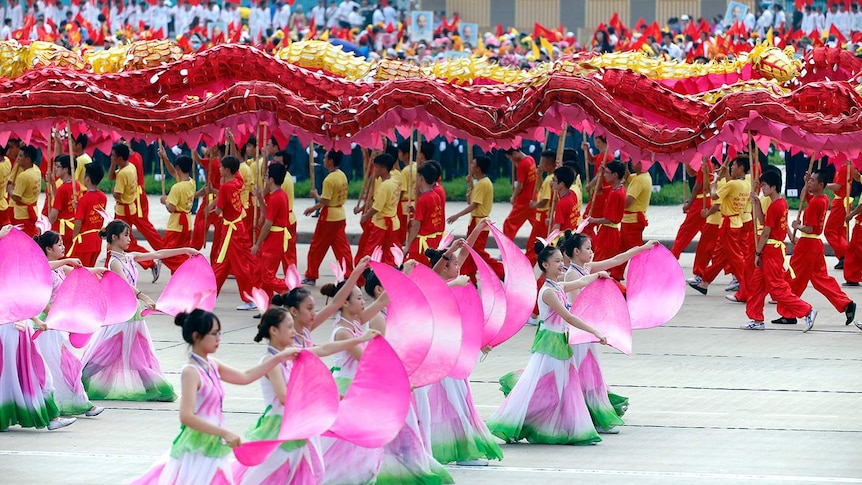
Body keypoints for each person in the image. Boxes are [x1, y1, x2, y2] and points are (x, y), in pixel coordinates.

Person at [131, 309, 300, 484]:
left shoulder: (212, 364)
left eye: (219, 333)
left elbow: (245, 377)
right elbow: (186, 416)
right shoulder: (191, 371)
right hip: (198, 445)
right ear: (196, 336)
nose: (219, 338)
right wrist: (224, 432)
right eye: (213, 334)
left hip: (214, 443)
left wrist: (278, 357)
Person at [234, 306, 378, 484]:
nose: (294, 331)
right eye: (289, 327)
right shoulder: (270, 361)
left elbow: (325, 349)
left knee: (298, 473)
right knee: (268, 475)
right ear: (274, 330)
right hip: (279, 427)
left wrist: (360, 339)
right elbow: (284, 397)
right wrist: (320, 398)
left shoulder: (290, 355)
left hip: (297, 423)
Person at [486, 241, 607, 445]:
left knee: (566, 387)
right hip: (550, 346)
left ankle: (568, 428)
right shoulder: (547, 292)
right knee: (542, 387)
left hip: (560, 343)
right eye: (557, 261)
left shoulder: (557, 286)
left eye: (562, 260)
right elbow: (568, 317)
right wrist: (594, 331)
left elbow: (579, 283)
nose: (562, 264)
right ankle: (519, 423)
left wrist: (597, 275)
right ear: (544, 265)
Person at [80, 220, 198, 401]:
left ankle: (154, 389)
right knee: (107, 353)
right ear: (114, 237)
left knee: (139, 352)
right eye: (126, 235)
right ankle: (79, 381)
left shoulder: (130, 256)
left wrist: (185, 250)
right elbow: (126, 287)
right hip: (122, 313)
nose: (129, 239)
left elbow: (158, 253)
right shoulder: (114, 263)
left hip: (133, 313)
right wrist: (144, 297)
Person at [422, 239, 504, 467]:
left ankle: (442, 448)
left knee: (455, 401)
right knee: (455, 402)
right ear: (444, 266)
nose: (459, 267)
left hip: (452, 353)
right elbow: (437, 284)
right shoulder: (433, 286)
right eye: (454, 263)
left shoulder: (450, 283)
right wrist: (453, 260)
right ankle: (463, 452)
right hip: (441, 356)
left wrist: (470, 237)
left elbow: (462, 325)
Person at [562, 233, 657, 429]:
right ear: (576, 251)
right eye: (587, 248)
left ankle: (593, 415)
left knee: (591, 373)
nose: (591, 251)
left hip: (589, 330)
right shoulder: (572, 274)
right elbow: (579, 306)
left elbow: (616, 259)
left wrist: (643, 247)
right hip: (579, 332)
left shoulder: (586, 268)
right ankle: (588, 418)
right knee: (583, 374)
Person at [33, 230, 106, 418]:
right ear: (48, 249)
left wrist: (96, 271)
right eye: (59, 244)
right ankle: (78, 404)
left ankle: (74, 403)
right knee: (61, 366)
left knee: (65, 366)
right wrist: (55, 316)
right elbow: (42, 301)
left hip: (58, 323)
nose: (63, 247)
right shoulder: (44, 269)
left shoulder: (59, 268)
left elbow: (77, 271)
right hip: (47, 325)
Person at [742, 170, 817, 331]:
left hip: (771, 250)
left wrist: (757, 253)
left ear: (774, 187)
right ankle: (757, 319)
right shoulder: (779, 204)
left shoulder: (776, 206)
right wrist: (756, 203)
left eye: (764, 185)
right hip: (771, 249)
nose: (762, 188)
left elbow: (766, 232)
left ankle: (807, 310)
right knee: (757, 285)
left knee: (777, 287)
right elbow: (763, 221)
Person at [787, 169, 856, 331]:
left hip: (807, 244)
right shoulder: (823, 198)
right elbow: (805, 196)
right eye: (809, 180)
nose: (810, 182)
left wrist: (798, 226)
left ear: (821, 184)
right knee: (821, 280)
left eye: (812, 181)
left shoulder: (817, 202)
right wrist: (806, 183)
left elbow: (810, 228)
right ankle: (846, 303)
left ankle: (789, 312)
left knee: (794, 277)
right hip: (815, 245)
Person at [689, 156, 750, 296]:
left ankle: (747, 287)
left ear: (740, 168)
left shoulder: (732, 185)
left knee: (735, 257)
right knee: (720, 256)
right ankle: (705, 282)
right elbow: (731, 185)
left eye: (733, 165)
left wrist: (713, 186)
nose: (731, 167)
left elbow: (714, 196)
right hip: (735, 222)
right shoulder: (746, 184)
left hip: (729, 224)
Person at [108, 142, 164, 279]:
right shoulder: (129, 166)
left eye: (113, 156)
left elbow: (118, 194)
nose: (112, 157)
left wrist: (113, 192)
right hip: (129, 208)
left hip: (123, 211)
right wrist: (112, 164)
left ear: (119, 158)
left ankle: (151, 261)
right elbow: (111, 177)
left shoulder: (123, 173)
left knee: (122, 242)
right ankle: (150, 262)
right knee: (125, 242)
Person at [209, 156, 259, 307]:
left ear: (227, 170)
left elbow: (218, 210)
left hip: (231, 230)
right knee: (222, 263)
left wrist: (209, 210)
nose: (219, 169)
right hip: (238, 227)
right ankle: (209, 295)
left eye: (221, 167)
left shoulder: (226, 187)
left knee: (238, 265)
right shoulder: (238, 181)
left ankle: (249, 298)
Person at [447, 156, 505, 280]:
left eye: (473, 164)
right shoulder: (480, 182)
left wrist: (457, 215)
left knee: (477, 252)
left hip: (479, 221)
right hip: (476, 221)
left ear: (478, 168)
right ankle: (468, 276)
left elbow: (474, 205)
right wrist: (469, 184)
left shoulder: (483, 183)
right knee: (469, 251)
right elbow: (470, 201)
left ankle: (500, 271)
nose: (471, 166)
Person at [303, 150, 353, 286]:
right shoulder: (341, 175)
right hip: (339, 214)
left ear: (330, 161)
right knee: (342, 247)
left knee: (317, 246)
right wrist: (313, 208)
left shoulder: (329, 179)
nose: (323, 159)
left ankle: (311, 275)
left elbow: (325, 200)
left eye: (325, 157)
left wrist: (315, 195)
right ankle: (348, 273)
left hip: (329, 216)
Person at [251, 163, 291, 300]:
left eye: (267, 175)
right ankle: (267, 305)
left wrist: (257, 244)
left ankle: (290, 288)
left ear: (272, 180)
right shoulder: (279, 195)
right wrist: (260, 198)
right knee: (262, 273)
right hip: (274, 238)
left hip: (273, 239)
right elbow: (268, 213)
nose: (265, 178)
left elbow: (268, 224)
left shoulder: (276, 197)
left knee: (267, 276)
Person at [356, 154, 401, 266]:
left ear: (384, 169)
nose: (374, 170)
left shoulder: (384, 185)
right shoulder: (394, 181)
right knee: (389, 252)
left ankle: (367, 275)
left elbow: (377, 207)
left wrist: (366, 216)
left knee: (371, 251)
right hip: (392, 222)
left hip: (381, 224)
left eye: (376, 168)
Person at [587, 160, 626, 280]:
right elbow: (598, 190)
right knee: (602, 267)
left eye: (607, 173)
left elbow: (610, 219)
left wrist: (593, 220)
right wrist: (600, 173)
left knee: (598, 267)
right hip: (608, 232)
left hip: (608, 233)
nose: (605, 175)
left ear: (615, 175)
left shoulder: (616, 193)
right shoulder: (617, 188)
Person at [158, 153, 195, 274]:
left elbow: (171, 208)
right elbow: (174, 173)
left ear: (178, 167)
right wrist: (165, 158)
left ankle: (185, 269)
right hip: (187, 223)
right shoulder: (191, 182)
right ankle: (180, 275)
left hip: (176, 225)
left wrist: (165, 201)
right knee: (182, 252)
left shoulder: (177, 187)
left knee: (166, 253)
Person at [404, 163, 444, 266]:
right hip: (433, 241)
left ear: (421, 179)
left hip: (422, 245)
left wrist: (408, 245)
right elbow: (429, 216)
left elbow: (416, 225)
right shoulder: (436, 196)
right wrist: (415, 210)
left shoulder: (423, 199)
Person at [67, 163, 107, 267]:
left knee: (78, 271)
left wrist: (74, 237)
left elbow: (78, 223)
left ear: (88, 179)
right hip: (97, 241)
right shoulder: (103, 197)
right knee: (90, 270)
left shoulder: (84, 200)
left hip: (84, 242)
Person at [672, 160, 712, 258]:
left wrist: (689, 204)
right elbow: (692, 173)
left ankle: (673, 255)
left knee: (685, 231)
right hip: (707, 199)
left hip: (699, 201)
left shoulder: (703, 164)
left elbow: (697, 187)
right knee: (707, 234)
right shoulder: (707, 162)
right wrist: (686, 160)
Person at [619, 160, 652, 274]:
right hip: (631, 220)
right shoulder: (642, 176)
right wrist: (625, 163)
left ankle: (643, 274)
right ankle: (616, 274)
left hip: (631, 221)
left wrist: (616, 198)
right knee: (622, 249)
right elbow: (628, 176)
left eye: (635, 161)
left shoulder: (639, 180)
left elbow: (628, 202)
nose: (633, 162)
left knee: (635, 251)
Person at [501, 147, 537, 243]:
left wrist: (513, 196)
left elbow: (520, 185)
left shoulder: (522, 164)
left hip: (523, 201)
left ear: (514, 153)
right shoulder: (530, 159)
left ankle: (507, 248)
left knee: (509, 224)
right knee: (538, 224)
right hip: (533, 197)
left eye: (510, 157)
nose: (510, 160)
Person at [526, 150, 555, 265]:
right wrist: (538, 176)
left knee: (535, 243)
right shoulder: (548, 177)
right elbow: (541, 190)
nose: (540, 165)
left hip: (543, 215)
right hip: (541, 215)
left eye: (542, 162)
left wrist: (535, 205)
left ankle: (531, 264)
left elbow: (545, 200)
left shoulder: (550, 179)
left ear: (548, 164)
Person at [824, 161, 854, 270]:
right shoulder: (843, 166)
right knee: (840, 232)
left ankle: (844, 254)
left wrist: (822, 184)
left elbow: (837, 186)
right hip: (842, 202)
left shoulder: (844, 168)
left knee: (830, 230)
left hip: (841, 203)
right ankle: (845, 255)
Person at [48, 155, 82, 250]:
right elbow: (62, 200)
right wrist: (53, 184)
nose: (55, 169)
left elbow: (54, 214)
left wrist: (47, 226)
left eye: (58, 166)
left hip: (61, 229)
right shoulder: (76, 184)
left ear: (66, 169)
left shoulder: (62, 189)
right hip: (71, 226)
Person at [10, 144, 41, 237]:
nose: (17, 159)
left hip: (22, 214)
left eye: (20, 156)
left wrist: (10, 189)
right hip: (33, 210)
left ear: (27, 160)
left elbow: (16, 197)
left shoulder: (23, 176)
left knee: (23, 238)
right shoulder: (36, 169)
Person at [550, 165, 580, 233]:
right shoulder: (573, 194)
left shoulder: (562, 203)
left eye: (554, 180)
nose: (551, 182)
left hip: (563, 238)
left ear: (561, 184)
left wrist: (548, 239)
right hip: (572, 233)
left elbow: (556, 228)